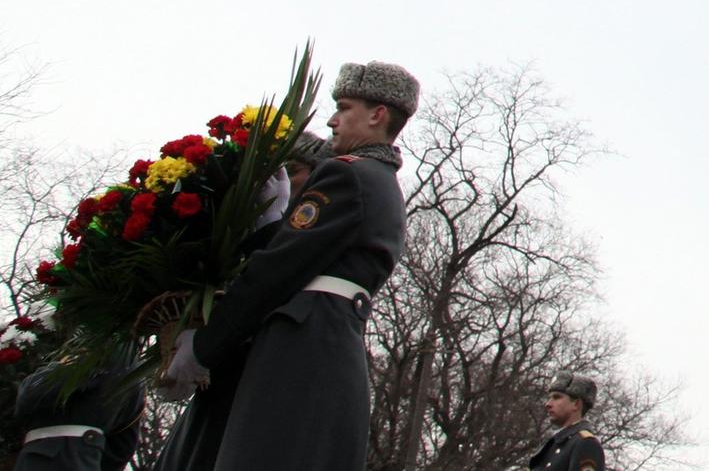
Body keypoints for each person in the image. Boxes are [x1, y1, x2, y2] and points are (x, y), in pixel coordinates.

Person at [163, 62, 415, 471]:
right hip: (322, 344)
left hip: (303, 349)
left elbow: (276, 272)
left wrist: (204, 348)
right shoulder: (376, 180)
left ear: (377, 114)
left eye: (344, 108)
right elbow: (302, 252)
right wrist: (271, 226)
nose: (332, 121)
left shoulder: (349, 175)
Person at [156, 130, 333, 471]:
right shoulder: (247, 239)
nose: (277, 185)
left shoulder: (316, 239)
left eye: (292, 171)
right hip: (219, 392)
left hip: (269, 387)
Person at [10, 356, 143, 471]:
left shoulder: (101, 352)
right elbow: (122, 448)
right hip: (85, 460)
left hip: (51, 458)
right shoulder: (136, 373)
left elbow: (29, 394)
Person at [528, 375, 605, 471]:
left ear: (576, 404)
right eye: (549, 398)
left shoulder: (586, 443)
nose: (548, 404)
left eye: (556, 397)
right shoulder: (554, 444)